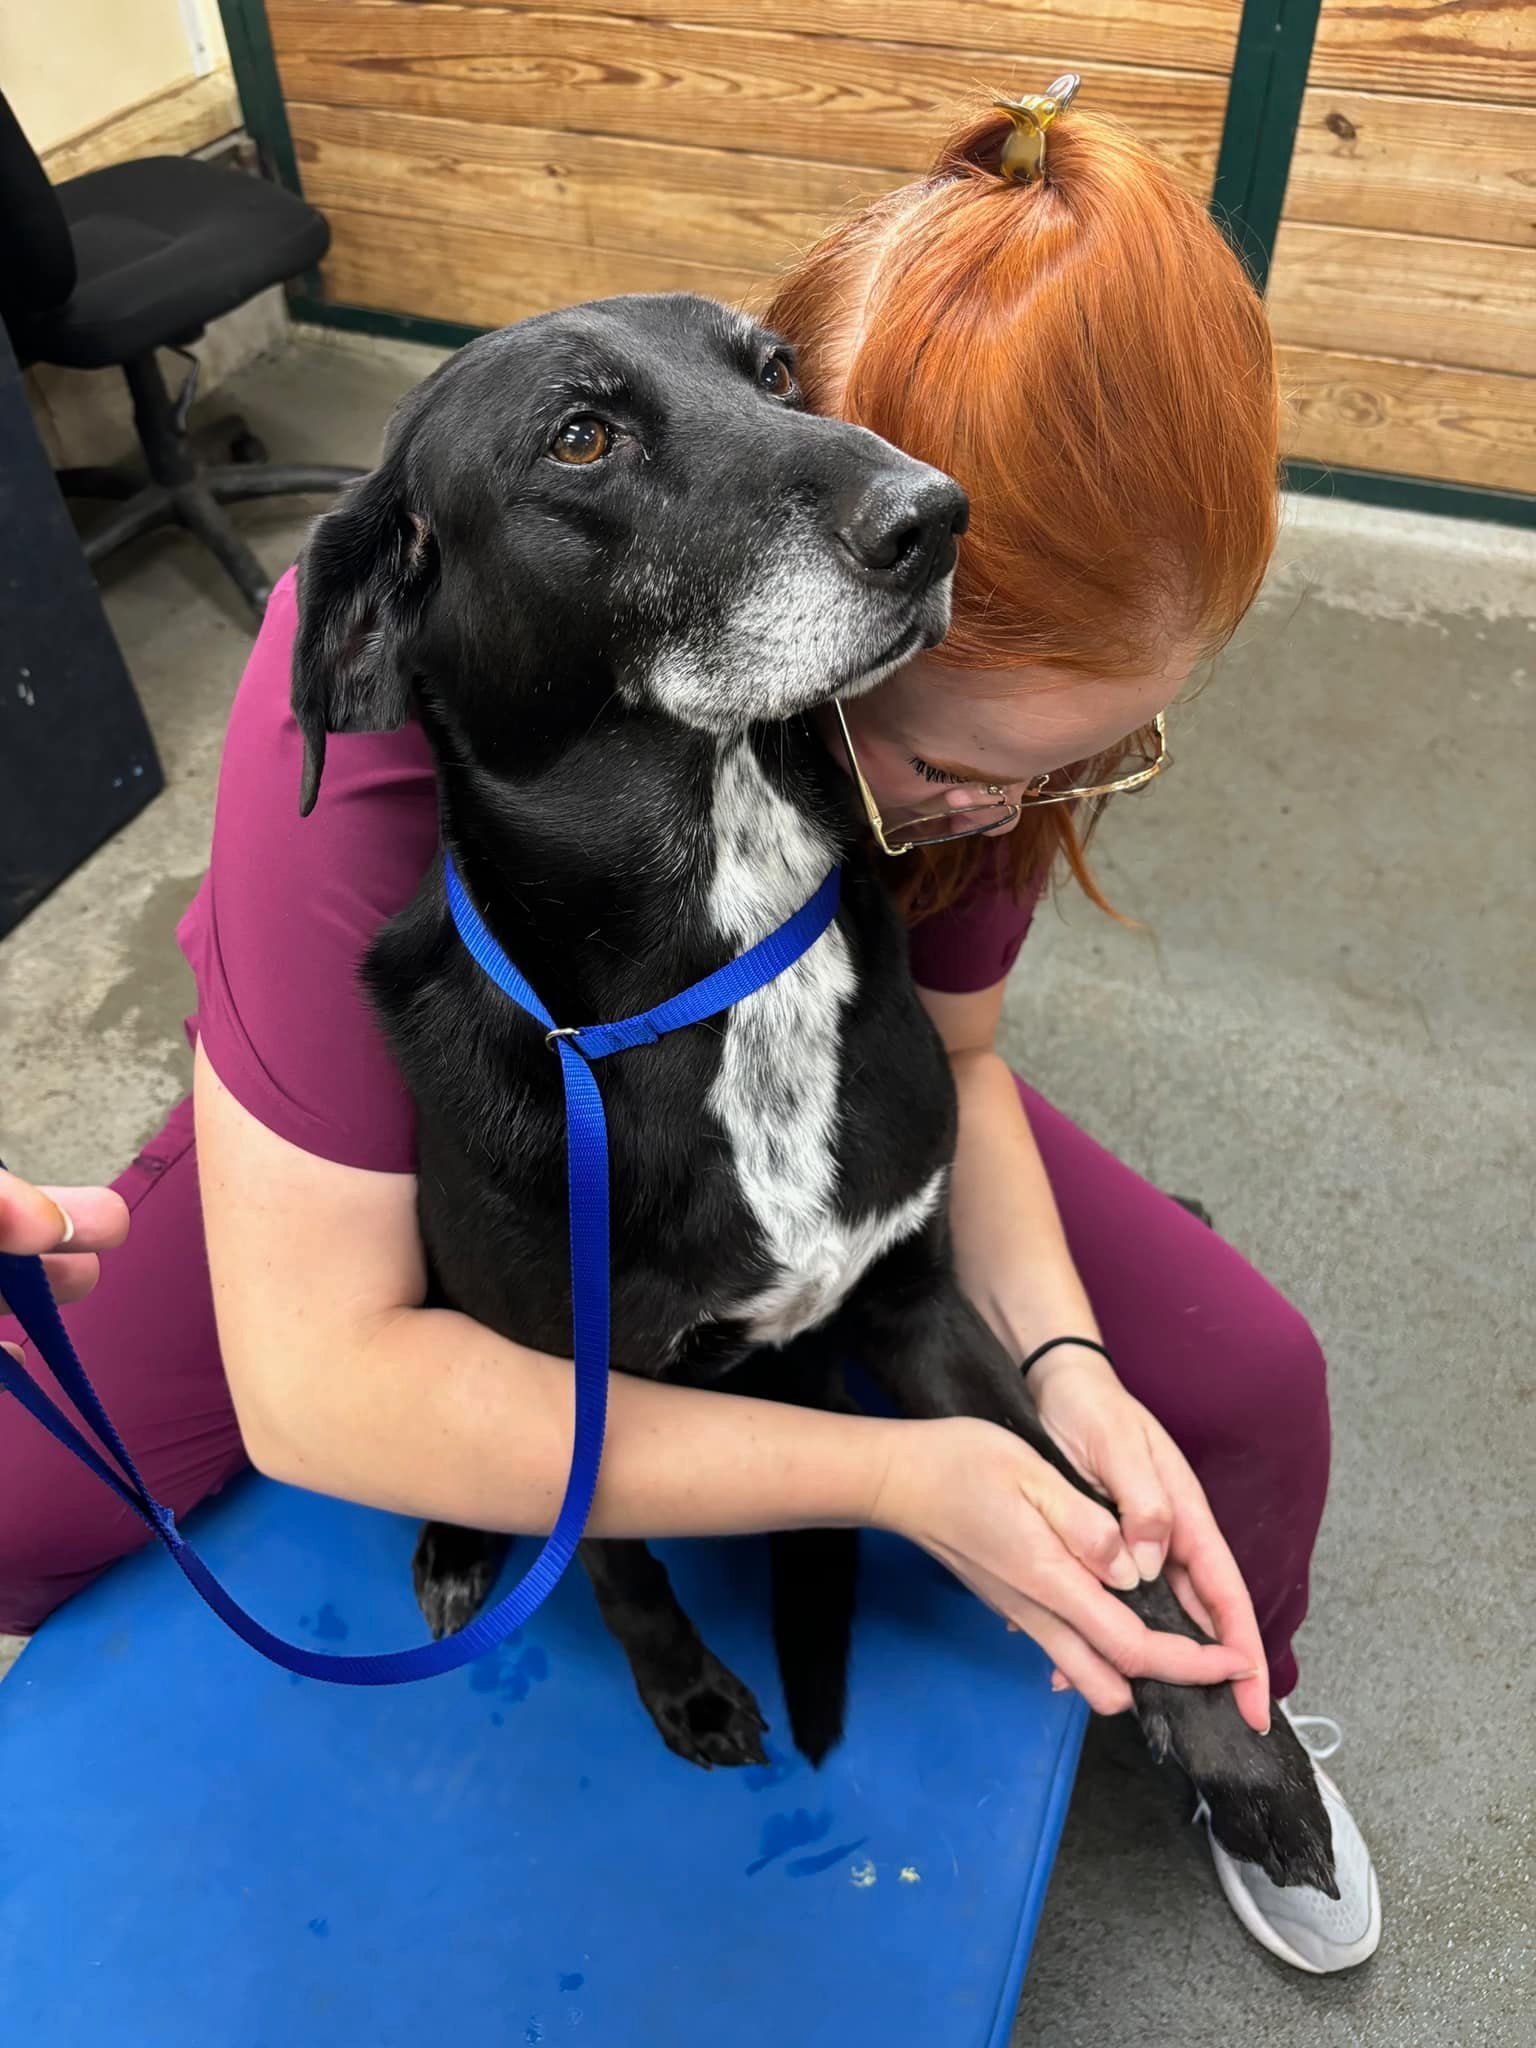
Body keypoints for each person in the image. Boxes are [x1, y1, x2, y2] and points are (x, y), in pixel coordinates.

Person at [0, 88, 1378, 1972]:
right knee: (31, 1495)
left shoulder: (966, 685)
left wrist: (1059, 1364)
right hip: (420, 1105)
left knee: (1240, 1389)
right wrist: (896, 1477)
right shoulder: (397, 688)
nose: (1000, 817)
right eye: (959, 769)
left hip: (787, 1070)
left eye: (1078, 767)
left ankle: (1230, 1712)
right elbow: (318, 1388)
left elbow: (960, 1058)